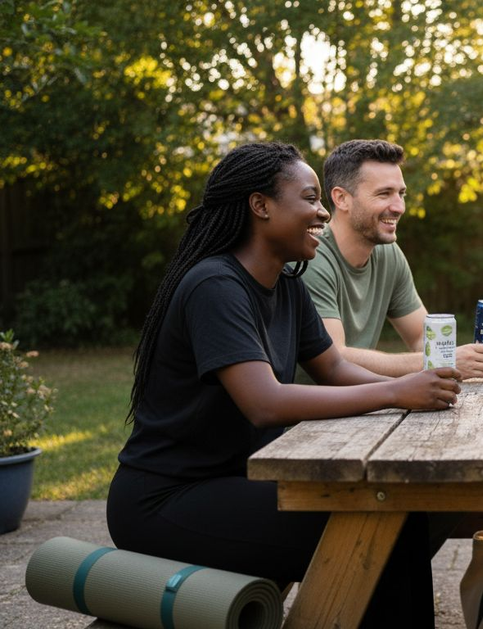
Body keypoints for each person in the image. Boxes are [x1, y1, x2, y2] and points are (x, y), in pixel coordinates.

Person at [107, 142, 460, 628]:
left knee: (396, 519)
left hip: (231, 481)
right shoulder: (215, 286)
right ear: (261, 206)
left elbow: (334, 369)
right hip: (166, 500)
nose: (320, 213)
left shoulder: (287, 286)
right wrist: (396, 392)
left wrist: (418, 390)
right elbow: (265, 402)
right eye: (310, 199)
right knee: (381, 536)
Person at [300, 139, 483, 381]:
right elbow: (335, 357)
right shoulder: (311, 257)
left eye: (401, 194)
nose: (399, 207)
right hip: (311, 416)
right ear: (342, 199)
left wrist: (447, 358)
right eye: (384, 194)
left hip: (364, 405)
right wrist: (438, 361)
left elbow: (420, 336)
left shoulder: (388, 253)